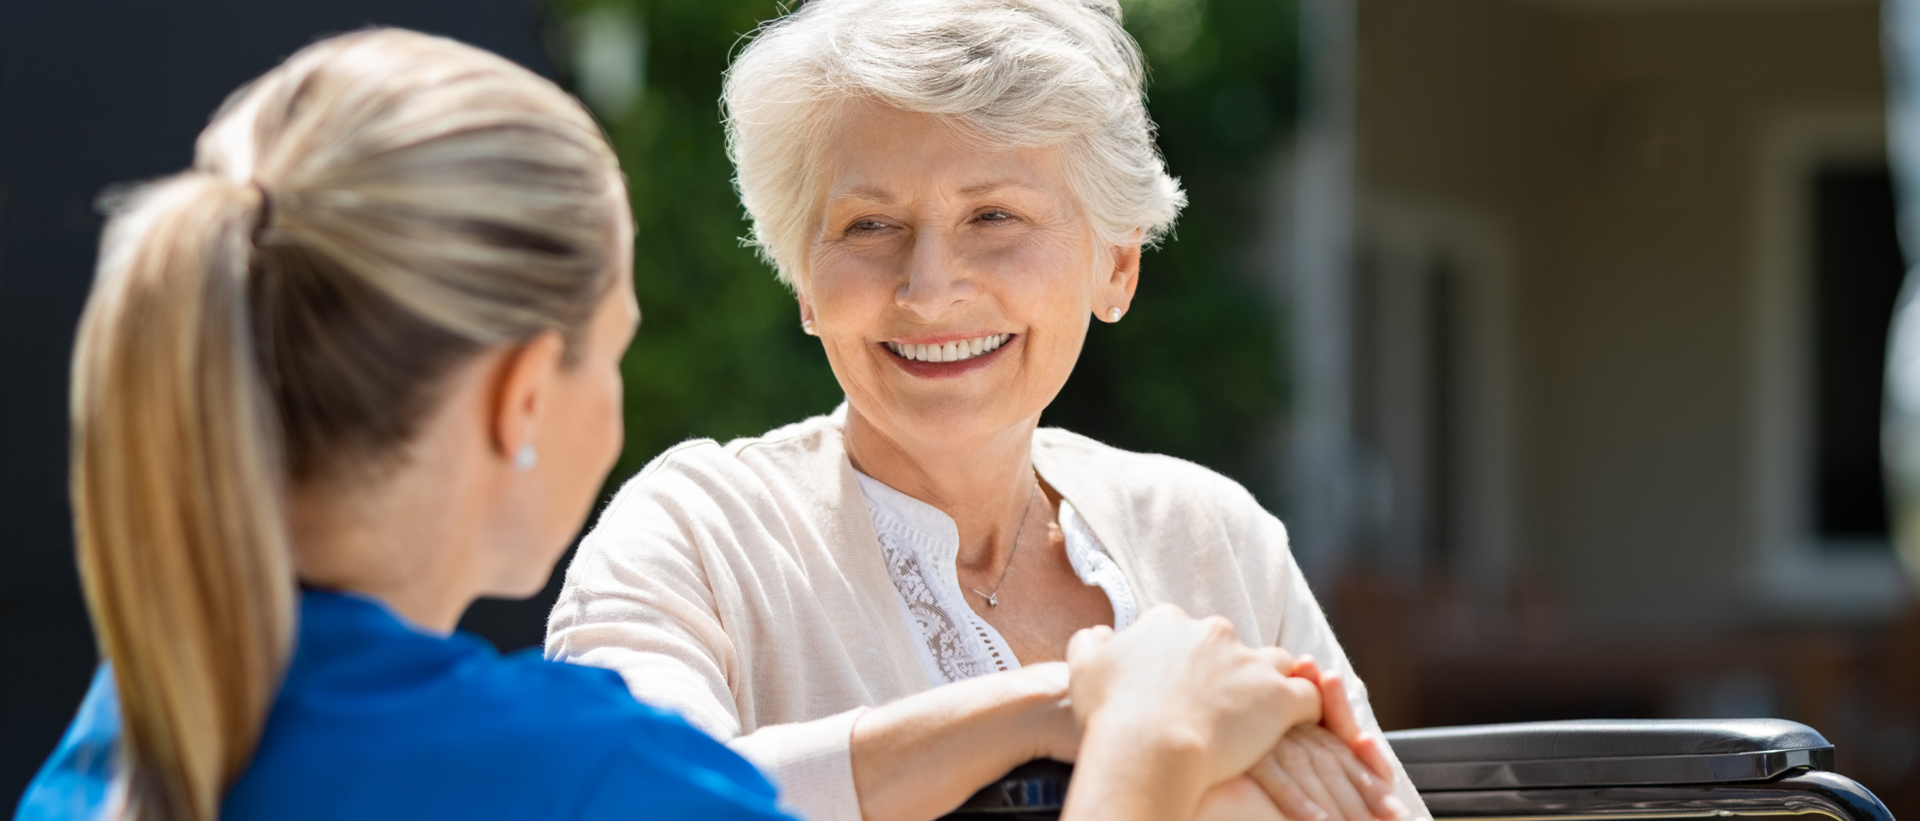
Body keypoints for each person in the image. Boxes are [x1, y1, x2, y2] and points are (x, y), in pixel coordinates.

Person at [15, 27, 1318, 821]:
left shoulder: (137, 722)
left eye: (994, 216)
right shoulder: (582, 781)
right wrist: (1140, 738)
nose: (928, 283)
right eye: (619, 352)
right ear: (528, 395)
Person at [543, 2, 1432, 821]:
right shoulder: (696, 534)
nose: (929, 290)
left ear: (1116, 267)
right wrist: (1077, 708)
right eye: (868, 225)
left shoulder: (1211, 536)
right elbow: (626, 795)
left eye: (995, 215)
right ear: (804, 280)